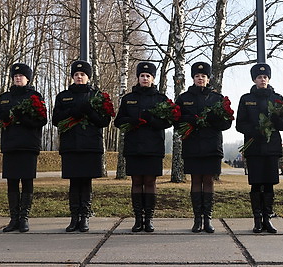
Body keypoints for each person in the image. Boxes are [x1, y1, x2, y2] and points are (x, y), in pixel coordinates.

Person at [52, 60, 112, 232]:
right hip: (71, 145)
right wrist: (72, 112)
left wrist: (90, 112)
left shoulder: (97, 96)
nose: (79, 77)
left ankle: (85, 217)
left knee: (86, 182)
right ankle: (74, 218)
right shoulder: (63, 96)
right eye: (76, 74)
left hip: (90, 145)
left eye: (83, 74)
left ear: (88, 77)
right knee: (73, 182)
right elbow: (56, 119)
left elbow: (104, 121)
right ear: (72, 76)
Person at [114, 62, 172, 232]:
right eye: (142, 76)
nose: (145, 78)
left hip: (153, 146)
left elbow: (169, 121)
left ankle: (149, 219)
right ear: (137, 78)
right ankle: (138, 219)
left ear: (153, 78)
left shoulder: (161, 99)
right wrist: (130, 121)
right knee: (137, 181)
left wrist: (152, 121)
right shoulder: (128, 99)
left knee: (150, 181)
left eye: (148, 76)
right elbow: (118, 121)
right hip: (134, 146)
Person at [176, 62, 233, 233]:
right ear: (193, 78)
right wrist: (189, 120)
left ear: (208, 79)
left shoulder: (217, 98)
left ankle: (207, 218)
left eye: (203, 76)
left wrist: (214, 120)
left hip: (211, 145)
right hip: (192, 145)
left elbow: (227, 123)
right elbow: (176, 120)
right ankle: (197, 219)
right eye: (197, 76)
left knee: (208, 180)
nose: (200, 78)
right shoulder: (184, 98)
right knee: (195, 180)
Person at [236, 63, 283, 233]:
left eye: (265, 77)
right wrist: (254, 131)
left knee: (270, 184)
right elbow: (239, 124)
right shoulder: (246, 99)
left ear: (269, 79)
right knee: (256, 184)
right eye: (259, 77)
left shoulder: (277, 98)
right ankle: (257, 219)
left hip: (271, 147)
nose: (262, 80)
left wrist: (276, 119)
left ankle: (268, 218)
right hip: (254, 147)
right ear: (254, 79)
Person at [0, 63, 47, 232]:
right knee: (11, 181)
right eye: (15, 76)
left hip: (27, 145)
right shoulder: (5, 97)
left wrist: (23, 118)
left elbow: (42, 120)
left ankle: (24, 218)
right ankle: (14, 219)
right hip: (10, 145)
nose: (18, 78)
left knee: (26, 180)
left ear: (28, 78)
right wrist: (2, 118)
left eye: (21, 76)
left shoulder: (35, 96)